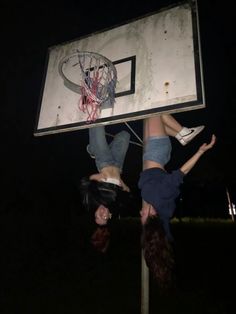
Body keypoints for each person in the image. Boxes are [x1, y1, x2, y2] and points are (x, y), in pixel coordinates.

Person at [138, 114, 216, 289]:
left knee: (154, 118)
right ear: (152, 215)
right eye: (142, 218)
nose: (140, 213)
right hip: (158, 151)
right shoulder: (159, 196)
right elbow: (180, 174)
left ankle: (182, 136)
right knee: (155, 111)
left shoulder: (163, 211)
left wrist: (157, 252)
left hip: (152, 151)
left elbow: (162, 233)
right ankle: (184, 132)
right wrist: (200, 152)